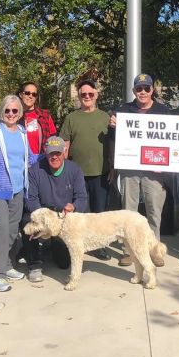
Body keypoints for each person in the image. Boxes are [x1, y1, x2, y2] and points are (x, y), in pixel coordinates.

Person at [0, 95, 38, 292]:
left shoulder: (21, 132)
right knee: (1, 229)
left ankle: (7, 264)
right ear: (2, 111)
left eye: (15, 111)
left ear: (20, 113)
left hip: (18, 188)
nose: (11, 114)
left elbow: (28, 158)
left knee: (12, 231)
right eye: (7, 110)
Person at [107, 73, 171, 266]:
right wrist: (112, 127)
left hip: (155, 171)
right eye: (139, 88)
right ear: (133, 90)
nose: (143, 92)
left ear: (152, 90)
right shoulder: (122, 111)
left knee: (154, 210)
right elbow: (112, 141)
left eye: (146, 88)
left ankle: (154, 250)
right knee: (129, 212)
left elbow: (173, 138)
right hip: (129, 169)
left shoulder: (163, 111)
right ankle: (130, 251)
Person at [24, 136, 89, 282]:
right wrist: (43, 216)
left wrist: (74, 206)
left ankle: (49, 245)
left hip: (63, 217)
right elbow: (30, 198)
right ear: (45, 153)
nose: (54, 157)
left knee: (64, 264)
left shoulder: (75, 170)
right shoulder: (35, 170)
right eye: (51, 153)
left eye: (58, 153)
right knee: (26, 221)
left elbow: (82, 197)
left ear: (64, 153)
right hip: (42, 213)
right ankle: (34, 264)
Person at [59, 78, 111, 260]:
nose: (87, 97)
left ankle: (100, 246)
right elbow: (65, 145)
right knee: (79, 213)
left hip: (101, 173)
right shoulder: (71, 118)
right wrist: (64, 172)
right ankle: (78, 245)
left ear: (96, 95)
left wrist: (114, 168)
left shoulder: (106, 117)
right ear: (79, 96)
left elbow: (115, 145)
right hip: (77, 175)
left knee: (99, 214)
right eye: (83, 94)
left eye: (90, 94)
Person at [18, 81, 57, 156]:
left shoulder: (45, 115)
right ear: (20, 94)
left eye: (34, 94)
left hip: (40, 161)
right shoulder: (14, 115)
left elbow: (53, 140)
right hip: (19, 162)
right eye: (27, 93)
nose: (30, 96)